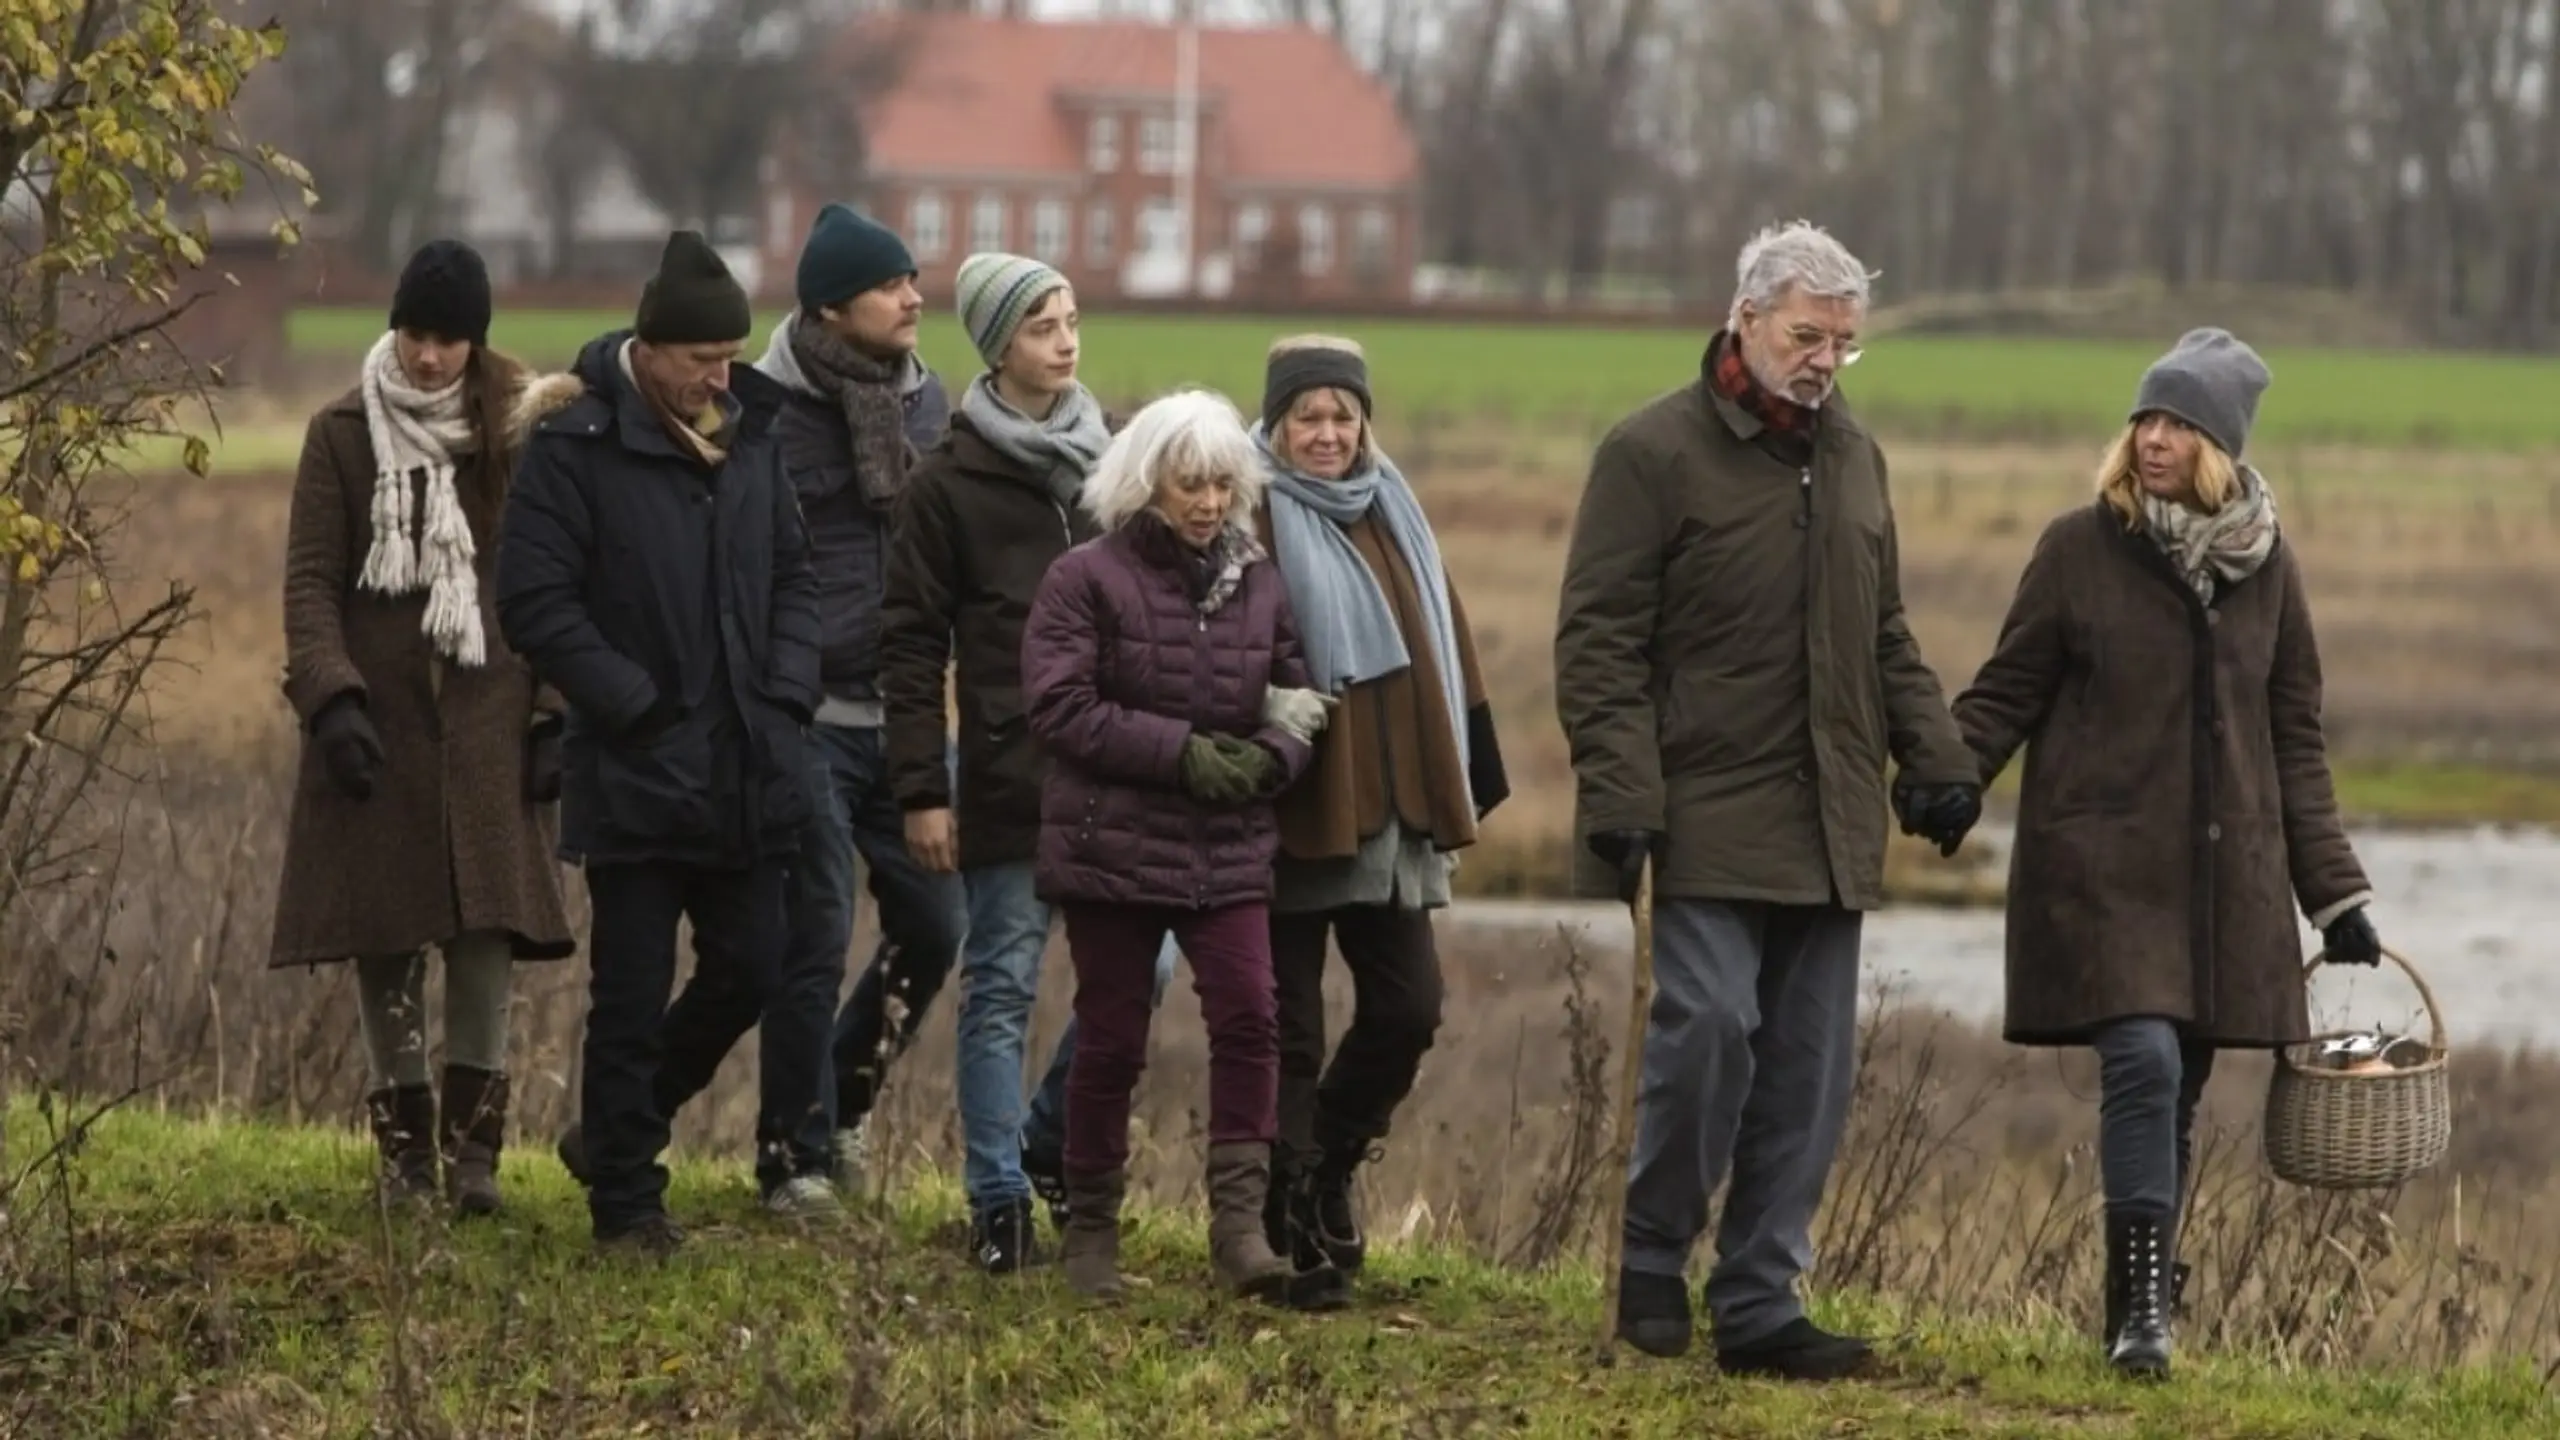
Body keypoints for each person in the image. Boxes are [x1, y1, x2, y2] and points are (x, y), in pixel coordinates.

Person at [1553, 219, 1982, 1380]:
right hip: (1697, 811)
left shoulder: (1856, 458)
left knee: (1807, 1069)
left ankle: (1756, 1300)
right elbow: (1597, 643)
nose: (1826, 360)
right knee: (1705, 1031)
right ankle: (1652, 1255)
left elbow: (1880, 630)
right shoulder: (1649, 452)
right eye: (1808, 335)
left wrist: (1935, 759)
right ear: (1744, 316)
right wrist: (1619, 792)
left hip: (1829, 818)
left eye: (1845, 342)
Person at [1950, 327, 2382, 1380]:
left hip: (2221, 883)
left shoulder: (2268, 573)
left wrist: (2334, 897)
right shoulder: (2075, 548)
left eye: (2179, 424)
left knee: (2175, 1085)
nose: (2151, 439)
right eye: (2145, 417)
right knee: (2140, 1058)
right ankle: (2140, 1311)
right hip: (2099, 869)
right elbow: (2006, 689)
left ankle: (2141, 1304)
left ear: (2221, 446)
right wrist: (1946, 779)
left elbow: (2294, 740)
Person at [497, 230, 825, 1255]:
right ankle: (628, 1206)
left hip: (746, 767)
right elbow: (534, 602)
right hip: (635, 771)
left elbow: (795, 580)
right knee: (629, 996)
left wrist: (784, 694)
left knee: (753, 965)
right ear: (649, 347)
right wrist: (631, 704)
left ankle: (608, 1135)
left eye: (730, 359)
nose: (719, 378)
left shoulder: (754, 439)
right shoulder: (575, 445)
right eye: (700, 362)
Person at [881, 251, 1175, 1272]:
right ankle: (997, 1197)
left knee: (1148, 968)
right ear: (998, 343)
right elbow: (911, 647)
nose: (1067, 341)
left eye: (1073, 320)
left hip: (1123, 773)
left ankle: (1050, 1135)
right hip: (1010, 773)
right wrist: (922, 787)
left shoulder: (1119, 469)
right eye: (1045, 325)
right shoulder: (945, 487)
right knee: (1002, 980)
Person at [270, 238, 575, 1217]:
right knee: (385, 935)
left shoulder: (520, 432)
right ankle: (405, 1159)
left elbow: (553, 582)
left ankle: (474, 1158)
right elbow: (311, 582)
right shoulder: (342, 435)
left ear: (477, 342)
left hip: (491, 714)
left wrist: (553, 712)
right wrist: (332, 698)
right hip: (380, 720)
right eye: (414, 333)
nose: (429, 356)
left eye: (448, 339)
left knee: (487, 933)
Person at [1019, 388, 1325, 1303]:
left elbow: (1298, 697)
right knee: (1112, 1038)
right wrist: (1185, 757)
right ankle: (1091, 1236)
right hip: (1110, 847)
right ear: (1146, 482)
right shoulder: (1084, 578)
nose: (1208, 503)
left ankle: (1238, 1235)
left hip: (1227, 848)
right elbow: (1059, 708)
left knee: (1250, 1017)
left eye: (1223, 486)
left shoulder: (1260, 581)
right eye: (1190, 484)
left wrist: (1272, 759)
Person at [1246, 336, 1510, 1305]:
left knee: (1409, 1008)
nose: (1327, 435)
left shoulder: (1392, 508)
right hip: (1289, 804)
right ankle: (1281, 1227)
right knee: (1290, 1032)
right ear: (1275, 425)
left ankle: (1330, 1169)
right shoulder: (1245, 509)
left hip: (1390, 814)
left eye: (1342, 416)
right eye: (1306, 418)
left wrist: (1471, 765)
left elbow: (1447, 632)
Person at [744, 203, 969, 1197]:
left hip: (909, 720)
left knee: (936, 925)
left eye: (913, 277)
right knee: (817, 930)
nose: (915, 297)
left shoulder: (929, 406)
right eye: (891, 284)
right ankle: (793, 1153)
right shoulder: (763, 413)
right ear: (830, 308)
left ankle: (841, 1103)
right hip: (804, 718)